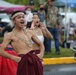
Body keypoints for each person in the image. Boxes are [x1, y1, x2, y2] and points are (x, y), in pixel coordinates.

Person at [0, 10, 44, 75]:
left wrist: (41, 55)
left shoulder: (30, 32)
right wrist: (14, 58)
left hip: (34, 59)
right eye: (19, 17)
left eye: (23, 17)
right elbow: (1, 51)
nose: (22, 19)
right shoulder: (10, 35)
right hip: (22, 61)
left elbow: (41, 44)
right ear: (14, 21)